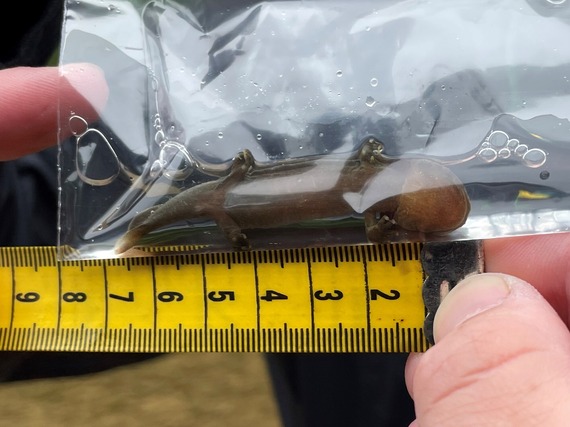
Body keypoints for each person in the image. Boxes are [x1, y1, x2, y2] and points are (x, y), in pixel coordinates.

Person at [5, 2, 570, 426]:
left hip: (249, 206)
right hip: (238, 208)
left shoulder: (374, 167)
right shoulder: (253, 78)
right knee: (169, 218)